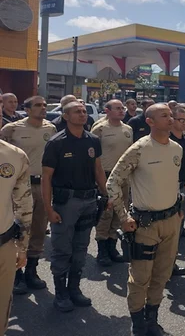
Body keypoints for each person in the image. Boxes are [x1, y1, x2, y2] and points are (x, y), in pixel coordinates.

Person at [105, 103, 183, 335]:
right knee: (140, 277)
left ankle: (152, 319)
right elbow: (113, 182)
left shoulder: (177, 148)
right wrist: (123, 215)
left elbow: (172, 182)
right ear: (149, 121)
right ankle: (138, 324)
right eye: (164, 116)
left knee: (162, 274)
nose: (171, 119)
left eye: (171, 115)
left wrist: (179, 208)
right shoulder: (139, 149)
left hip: (170, 221)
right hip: (145, 224)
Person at [42, 101, 108, 312]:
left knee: (81, 248)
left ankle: (74, 289)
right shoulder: (56, 143)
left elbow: (98, 169)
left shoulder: (93, 140)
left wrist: (106, 194)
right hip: (66, 203)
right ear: (66, 117)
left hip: (89, 200)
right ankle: (60, 293)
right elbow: (46, 178)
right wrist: (48, 210)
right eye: (76, 112)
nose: (82, 114)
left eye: (83, 111)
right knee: (62, 248)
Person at [1, 96, 54, 295]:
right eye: (38, 105)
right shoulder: (11, 129)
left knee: (40, 227)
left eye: (45, 105)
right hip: (18, 187)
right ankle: (17, 273)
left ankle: (32, 269)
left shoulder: (51, 129)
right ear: (27, 109)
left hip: (42, 185)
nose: (43, 109)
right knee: (18, 226)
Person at [91, 100, 133, 267]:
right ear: (107, 110)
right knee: (105, 213)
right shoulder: (99, 128)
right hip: (106, 175)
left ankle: (112, 245)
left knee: (119, 212)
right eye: (117, 108)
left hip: (124, 176)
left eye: (122, 108)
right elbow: (93, 157)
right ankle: (102, 249)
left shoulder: (128, 129)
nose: (121, 110)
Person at [0, 135, 32, 334]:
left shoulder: (14, 156)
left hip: (3, 245)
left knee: (2, 306)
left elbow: (23, 205)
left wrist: (22, 246)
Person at [169, 106, 185, 276]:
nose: (184, 123)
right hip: (167, 189)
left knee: (177, 229)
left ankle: (171, 264)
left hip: (182, 187)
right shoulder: (166, 140)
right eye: (180, 120)